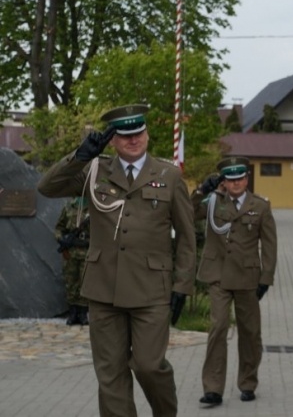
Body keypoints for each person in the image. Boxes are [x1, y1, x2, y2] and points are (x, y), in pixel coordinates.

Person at [37, 104, 195, 417]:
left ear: (147, 134)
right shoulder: (95, 171)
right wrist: (80, 155)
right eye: (125, 136)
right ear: (113, 141)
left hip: (151, 290)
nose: (133, 140)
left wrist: (183, 285)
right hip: (103, 289)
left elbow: (187, 237)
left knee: (149, 366)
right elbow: (46, 187)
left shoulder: (169, 175)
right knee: (110, 375)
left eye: (138, 133)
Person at [193, 157, 278, 406]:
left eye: (240, 178)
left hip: (247, 277)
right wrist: (201, 190)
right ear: (224, 182)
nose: (236, 183)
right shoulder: (212, 203)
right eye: (231, 179)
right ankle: (213, 388)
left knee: (250, 332)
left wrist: (266, 278)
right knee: (218, 328)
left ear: (246, 178)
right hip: (218, 275)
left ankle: (248, 382)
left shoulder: (260, 206)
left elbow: (270, 245)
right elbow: (187, 212)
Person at [55, 196, 91, 326]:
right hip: (70, 251)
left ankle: (82, 313)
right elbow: (59, 228)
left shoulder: (93, 208)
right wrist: (61, 239)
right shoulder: (68, 207)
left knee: (85, 281)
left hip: (87, 250)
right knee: (70, 282)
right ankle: (72, 313)